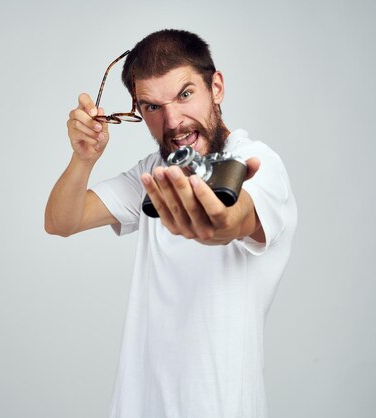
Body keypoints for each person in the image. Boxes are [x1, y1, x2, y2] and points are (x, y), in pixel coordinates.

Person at [45, 29, 297, 418]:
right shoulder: (153, 170)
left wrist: (213, 224)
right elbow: (62, 221)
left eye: (184, 94)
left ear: (216, 86)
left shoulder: (257, 162)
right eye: (152, 107)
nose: (173, 121)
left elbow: (238, 218)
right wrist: (83, 158)